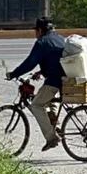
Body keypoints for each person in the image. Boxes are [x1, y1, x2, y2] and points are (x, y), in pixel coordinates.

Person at [6, 17, 67, 152]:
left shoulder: (42, 42)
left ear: (40, 30)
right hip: (65, 79)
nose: (35, 34)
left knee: (36, 105)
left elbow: (30, 62)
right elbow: (54, 59)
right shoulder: (59, 38)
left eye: (36, 31)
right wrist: (41, 71)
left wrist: (14, 74)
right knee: (48, 100)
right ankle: (54, 123)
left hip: (54, 81)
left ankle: (51, 137)